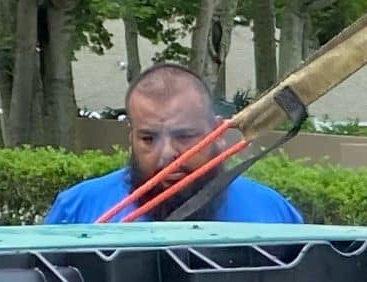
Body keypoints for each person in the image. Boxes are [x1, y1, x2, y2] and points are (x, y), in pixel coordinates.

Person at [45, 61, 304, 227]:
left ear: (217, 132)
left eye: (184, 136)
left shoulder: (272, 214)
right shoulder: (77, 210)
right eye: (149, 138)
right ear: (131, 137)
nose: (167, 155)